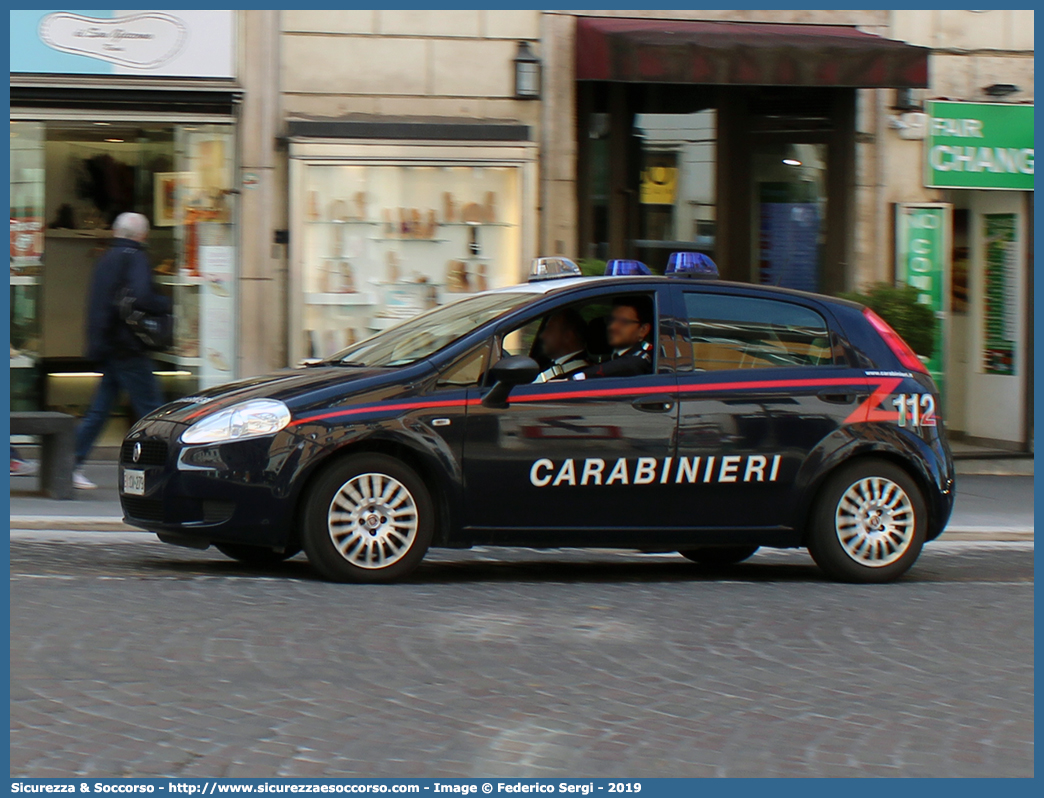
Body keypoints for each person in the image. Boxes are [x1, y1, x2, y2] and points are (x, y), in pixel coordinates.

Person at [72, 212, 172, 490]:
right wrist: (164, 304)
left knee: (100, 409)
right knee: (151, 410)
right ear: (141, 235)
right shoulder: (135, 256)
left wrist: (97, 343)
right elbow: (141, 295)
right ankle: (165, 470)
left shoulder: (105, 258)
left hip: (109, 344)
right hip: (128, 346)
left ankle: (70, 463)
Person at [572, 296, 654, 380]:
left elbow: (631, 365)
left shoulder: (639, 360)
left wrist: (577, 377)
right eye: (611, 320)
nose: (612, 327)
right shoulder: (608, 359)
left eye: (623, 322)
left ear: (643, 330)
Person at [534, 308, 589, 382]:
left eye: (549, 329)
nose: (542, 336)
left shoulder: (576, 376)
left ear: (567, 336)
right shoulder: (547, 364)